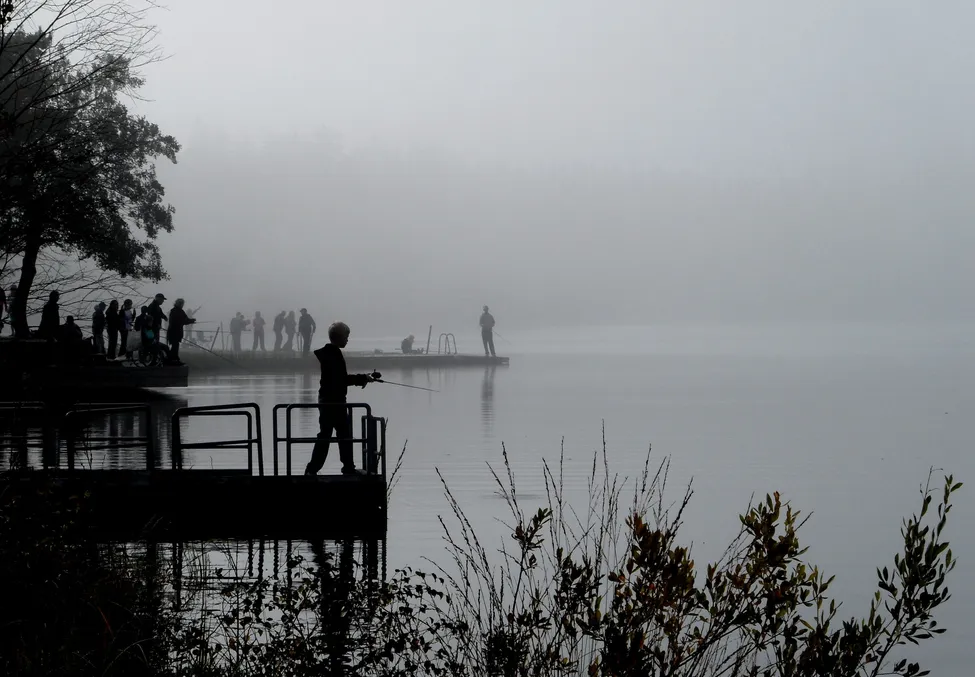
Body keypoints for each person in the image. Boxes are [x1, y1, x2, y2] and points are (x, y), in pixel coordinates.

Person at [304, 322, 376, 476]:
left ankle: (313, 469)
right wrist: (363, 378)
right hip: (334, 402)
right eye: (347, 336)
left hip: (328, 400)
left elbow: (339, 379)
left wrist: (362, 378)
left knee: (331, 435)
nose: (348, 340)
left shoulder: (330, 353)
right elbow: (341, 379)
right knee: (341, 435)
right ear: (340, 337)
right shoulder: (334, 355)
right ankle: (343, 468)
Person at [167, 298, 196, 364]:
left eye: (182, 304)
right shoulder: (174, 311)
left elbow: (185, 319)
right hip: (174, 332)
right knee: (175, 346)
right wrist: (190, 321)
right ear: (178, 303)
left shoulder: (180, 311)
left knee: (175, 346)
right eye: (181, 303)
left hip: (177, 332)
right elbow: (180, 321)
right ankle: (173, 360)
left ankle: (174, 359)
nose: (182, 305)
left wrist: (191, 320)